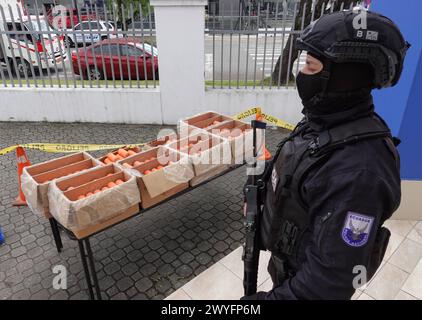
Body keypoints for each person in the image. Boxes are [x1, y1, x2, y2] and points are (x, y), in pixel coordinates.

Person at [242, 9, 410, 300]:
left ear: (344, 76)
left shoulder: (360, 172)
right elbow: (300, 161)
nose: (301, 75)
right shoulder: (326, 120)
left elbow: (324, 287)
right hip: (285, 269)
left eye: (310, 65)